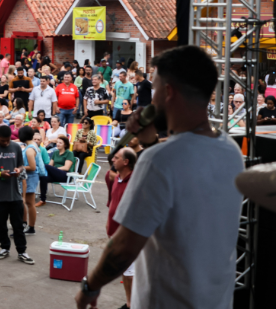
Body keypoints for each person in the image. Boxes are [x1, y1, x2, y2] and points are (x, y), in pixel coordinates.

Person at [75, 45, 244, 309]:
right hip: (216, 300)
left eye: (154, 89)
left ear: (168, 92)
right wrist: (149, 140)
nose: (151, 98)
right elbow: (182, 170)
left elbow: (123, 247)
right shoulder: (230, 151)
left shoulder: (160, 161)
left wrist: (90, 286)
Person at [0, 125, 34, 265]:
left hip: (14, 195)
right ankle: (4, 248)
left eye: (8, 140)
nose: (5, 143)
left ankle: (22, 251)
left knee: (18, 226)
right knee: (1, 226)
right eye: (3, 140)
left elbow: (21, 166)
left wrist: (18, 170)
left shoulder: (15, 147)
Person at [106, 147, 138, 309]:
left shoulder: (135, 182)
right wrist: (108, 222)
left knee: (130, 273)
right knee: (126, 271)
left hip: (128, 236)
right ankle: (130, 302)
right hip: (115, 232)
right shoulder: (117, 178)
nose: (112, 160)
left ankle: (133, 304)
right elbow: (112, 202)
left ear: (126, 162)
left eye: (116, 158)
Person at [36, 135, 75, 207]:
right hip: (55, 174)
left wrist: (55, 169)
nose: (58, 144)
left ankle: (36, 171)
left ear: (65, 144)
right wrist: (52, 169)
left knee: (45, 166)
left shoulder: (69, 153)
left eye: (60, 143)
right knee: (43, 177)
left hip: (65, 175)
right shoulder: (56, 152)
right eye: (57, 142)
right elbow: (51, 165)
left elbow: (66, 168)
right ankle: (42, 200)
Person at [20, 126, 45, 236]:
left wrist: (20, 167)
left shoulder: (30, 149)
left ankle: (31, 227)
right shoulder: (32, 146)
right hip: (29, 177)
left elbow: (32, 167)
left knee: (30, 203)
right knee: (25, 202)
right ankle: (24, 223)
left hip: (30, 177)